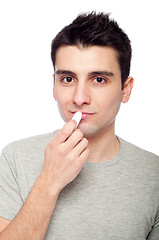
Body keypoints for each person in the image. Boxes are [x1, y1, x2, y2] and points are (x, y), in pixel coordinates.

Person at [0, 12, 159, 240]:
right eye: (67, 79)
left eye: (99, 79)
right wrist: (49, 181)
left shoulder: (154, 174)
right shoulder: (14, 158)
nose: (80, 98)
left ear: (126, 89)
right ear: (53, 86)